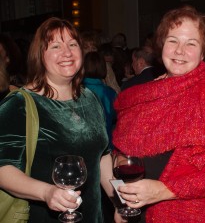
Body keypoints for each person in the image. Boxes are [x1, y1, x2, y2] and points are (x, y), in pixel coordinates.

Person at [112, 5, 205, 223]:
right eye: (173, 41)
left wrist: (163, 191)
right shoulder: (141, 95)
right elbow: (121, 152)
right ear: (161, 46)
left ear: (204, 51)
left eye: (191, 43)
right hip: (142, 210)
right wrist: (122, 197)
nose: (180, 50)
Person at [0, 17, 118, 223]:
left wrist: (118, 200)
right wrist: (46, 192)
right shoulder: (20, 104)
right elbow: (3, 168)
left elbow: (102, 156)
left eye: (73, 44)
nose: (67, 53)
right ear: (40, 55)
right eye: (56, 46)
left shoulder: (90, 98)